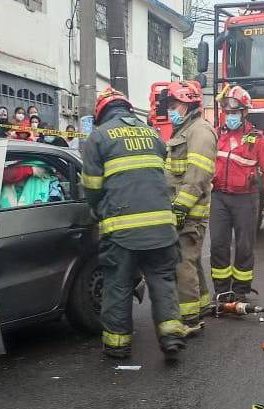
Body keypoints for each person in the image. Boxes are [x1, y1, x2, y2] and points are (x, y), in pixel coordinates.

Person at [81, 86, 188, 359]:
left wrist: (97, 211)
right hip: (162, 228)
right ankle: (172, 337)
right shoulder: (153, 134)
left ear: (101, 113)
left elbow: (92, 188)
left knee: (118, 284)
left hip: (123, 231)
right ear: (128, 109)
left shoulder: (99, 137)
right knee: (163, 281)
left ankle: (118, 345)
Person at [210, 85, 264, 301]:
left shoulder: (256, 139)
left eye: (235, 112)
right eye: (228, 112)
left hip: (246, 199)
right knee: (218, 245)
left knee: (244, 246)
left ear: (245, 112)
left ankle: (240, 291)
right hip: (219, 197)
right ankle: (222, 291)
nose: (230, 116)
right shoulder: (216, 134)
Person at [163, 80, 218, 326]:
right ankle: (202, 304)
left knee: (183, 263)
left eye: (174, 105)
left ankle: (188, 318)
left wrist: (180, 207)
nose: (170, 111)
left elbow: (198, 175)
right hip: (184, 209)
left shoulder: (200, 132)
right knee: (191, 260)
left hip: (190, 211)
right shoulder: (184, 130)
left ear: (187, 105)